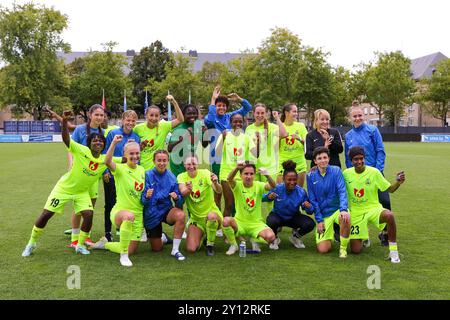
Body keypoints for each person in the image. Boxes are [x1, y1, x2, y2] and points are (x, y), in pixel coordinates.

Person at [21, 111, 116, 257]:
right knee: (46, 214)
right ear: (89, 144)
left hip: (82, 191)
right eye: (94, 141)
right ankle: (31, 243)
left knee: (88, 214)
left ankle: (79, 244)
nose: (98, 142)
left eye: (101, 141)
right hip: (64, 188)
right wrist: (64, 121)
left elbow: (122, 160)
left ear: (104, 145)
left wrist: (132, 155)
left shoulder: (104, 160)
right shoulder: (81, 149)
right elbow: (66, 139)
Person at [343, 146, 405, 263]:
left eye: (361, 158)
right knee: (356, 250)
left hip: (373, 208)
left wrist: (398, 182)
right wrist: (316, 168)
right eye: (356, 159)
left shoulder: (374, 172)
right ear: (351, 161)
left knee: (389, 216)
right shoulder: (346, 174)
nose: (359, 161)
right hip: (356, 212)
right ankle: (364, 236)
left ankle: (394, 253)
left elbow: (390, 189)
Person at [91, 135, 145, 267]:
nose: (135, 156)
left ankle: (106, 244)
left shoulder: (142, 170)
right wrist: (114, 143)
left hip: (138, 216)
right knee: (129, 216)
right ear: (125, 155)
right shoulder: (120, 169)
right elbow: (107, 161)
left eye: (137, 153)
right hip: (120, 212)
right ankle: (123, 256)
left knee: (130, 249)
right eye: (131, 153)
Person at [345, 101, 390, 246]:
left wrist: (378, 169)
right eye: (354, 116)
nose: (357, 118)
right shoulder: (348, 135)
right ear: (350, 118)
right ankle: (363, 234)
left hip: (374, 173)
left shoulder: (372, 130)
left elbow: (380, 150)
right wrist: (351, 173)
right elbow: (347, 157)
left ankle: (385, 232)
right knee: (360, 205)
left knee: (385, 201)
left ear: (363, 116)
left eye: (359, 115)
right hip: (357, 177)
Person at [204, 85, 253, 209]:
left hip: (232, 159)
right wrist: (213, 99)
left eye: (223, 105)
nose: (221, 107)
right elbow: (208, 121)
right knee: (218, 190)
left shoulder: (230, 117)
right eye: (218, 105)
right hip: (217, 158)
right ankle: (218, 220)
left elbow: (248, 107)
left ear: (227, 107)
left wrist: (239, 99)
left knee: (232, 191)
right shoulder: (211, 117)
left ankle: (233, 218)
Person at [67, 104, 106, 248]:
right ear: (90, 115)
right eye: (96, 114)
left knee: (90, 207)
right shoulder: (80, 129)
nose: (99, 117)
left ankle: (86, 236)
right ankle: (74, 238)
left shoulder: (103, 131)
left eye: (101, 115)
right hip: (80, 173)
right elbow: (70, 148)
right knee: (79, 207)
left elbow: (103, 155)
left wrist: (105, 172)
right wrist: (70, 164)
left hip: (94, 174)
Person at [140, 150, 187, 261]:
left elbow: (180, 203)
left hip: (166, 210)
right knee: (157, 248)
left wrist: (177, 198)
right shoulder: (147, 175)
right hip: (151, 214)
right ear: (154, 161)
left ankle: (175, 249)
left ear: (168, 161)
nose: (162, 163)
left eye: (164, 160)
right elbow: (142, 202)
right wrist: (146, 197)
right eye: (159, 160)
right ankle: (164, 238)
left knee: (180, 215)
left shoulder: (171, 177)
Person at [222, 162, 277, 255]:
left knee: (271, 237)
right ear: (241, 175)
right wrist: (236, 168)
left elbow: (273, 186)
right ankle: (234, 245)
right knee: (225, 221)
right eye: (246, 173)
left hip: (256, 224)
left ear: (254, 175)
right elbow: (229, 179)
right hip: (240, 222)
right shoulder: (237, 185)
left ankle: (254, 240)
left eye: (251, 174)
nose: (249, 176)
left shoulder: (259, 185)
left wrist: (267, 175)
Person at [102, 110, 140, 241]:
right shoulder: (113, 134)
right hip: (112, 173)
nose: (130, 122)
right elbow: (105, 153)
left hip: (127, 178)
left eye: (133, 120)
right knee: (110, 203)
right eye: (128, 120)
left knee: (126, 202)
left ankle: (121, 228)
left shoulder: (136, 136)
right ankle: (107, 233)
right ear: (122, 120)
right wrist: (105, 171)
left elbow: (136, 157)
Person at [306, 147, 350, 258]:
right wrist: (319, 220)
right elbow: (313, 200)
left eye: (325, 157)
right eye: (319, 158)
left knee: (346, 217)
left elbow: (342, 191)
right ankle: (329, 235)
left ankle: (343, 249)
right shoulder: (310, 176)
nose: (323, 160)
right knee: (323, 249)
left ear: (329, 159)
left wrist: (343, 209)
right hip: (324, 215)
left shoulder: (336, 171)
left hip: (337, 210)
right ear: (315, 161)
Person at [178, 155, 225, 256]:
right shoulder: (181, 176)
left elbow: (219, 190)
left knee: (211, 216)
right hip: (196, 219)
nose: (191, 166)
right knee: (191, 249)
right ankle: (205, 235)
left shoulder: (205, 173)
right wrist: (188, 189)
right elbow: (182, 192)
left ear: (198, 164)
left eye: (194, 163)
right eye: (188, 164)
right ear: (184, 165)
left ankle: (210, 245)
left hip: (212, 215)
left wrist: (216, 183)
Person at [264, 160, 315, 250]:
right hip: (278, 216)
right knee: (271, 221)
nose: (292, 182)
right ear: (283, 179)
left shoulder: (301, 192)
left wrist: (309, 207)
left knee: (310, 224)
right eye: (289, 180)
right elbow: (263, 198)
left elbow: (309, 211)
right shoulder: (277, 188)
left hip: (293, 217)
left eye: (294, 179)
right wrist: (269, 196)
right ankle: (275, 238)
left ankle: (295, 237)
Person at [214, 113, 255, 217]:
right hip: (226, 173)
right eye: (235, 121)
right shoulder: (224, 135)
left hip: (241, 175)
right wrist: (223, 138)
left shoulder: (246, 137)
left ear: (243, 123)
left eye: (240, 121)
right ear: (230, 123)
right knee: (229, 203)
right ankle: (223, 227)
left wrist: (258, 142)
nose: (238, 124)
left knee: (239, 204)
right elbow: (217, 153)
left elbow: (255, 154)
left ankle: (238, 226)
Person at [134, 95, 184, 170]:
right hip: (142, 169)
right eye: (151, 115)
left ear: (159, 117)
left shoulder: (164, 126)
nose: (154, 118)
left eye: (156, 116)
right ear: (146, 115)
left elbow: (180, 119)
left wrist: (174, 102)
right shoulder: (137, 128)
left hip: (158, 170)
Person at [246, 103, 287, 183]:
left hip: (269, 168)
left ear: (266, 114)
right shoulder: (248, 128)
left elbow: (284, 134)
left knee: (270, 193)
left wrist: (277, 118)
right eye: (257, 113)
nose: (260, 115)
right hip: (253, 167)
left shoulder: (272, 127)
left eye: (262, 113)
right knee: (255, 193)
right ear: (253, 113)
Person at [168, 104, 209, 179]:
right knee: (180, 186)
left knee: (190, 186)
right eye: (189, 113)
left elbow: (205, 145)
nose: (192, 115)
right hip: (178, 164)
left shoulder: (199, 125)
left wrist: (205, 134)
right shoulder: (179, 127)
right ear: (183, 115)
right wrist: (182, 138)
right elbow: (169, 148)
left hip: (190, 163)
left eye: (194, 113)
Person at [278, 103, 308, 186]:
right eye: (294, 111)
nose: (296, 114)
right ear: (286, 113)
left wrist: (299, 138)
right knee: (281, 193)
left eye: (296, 111)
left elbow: (307, 143)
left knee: (298, 193)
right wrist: (280, 137)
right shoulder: (279, 127)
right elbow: (275, 149)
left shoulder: (301, 126)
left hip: (299, 164)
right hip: (282, 163)